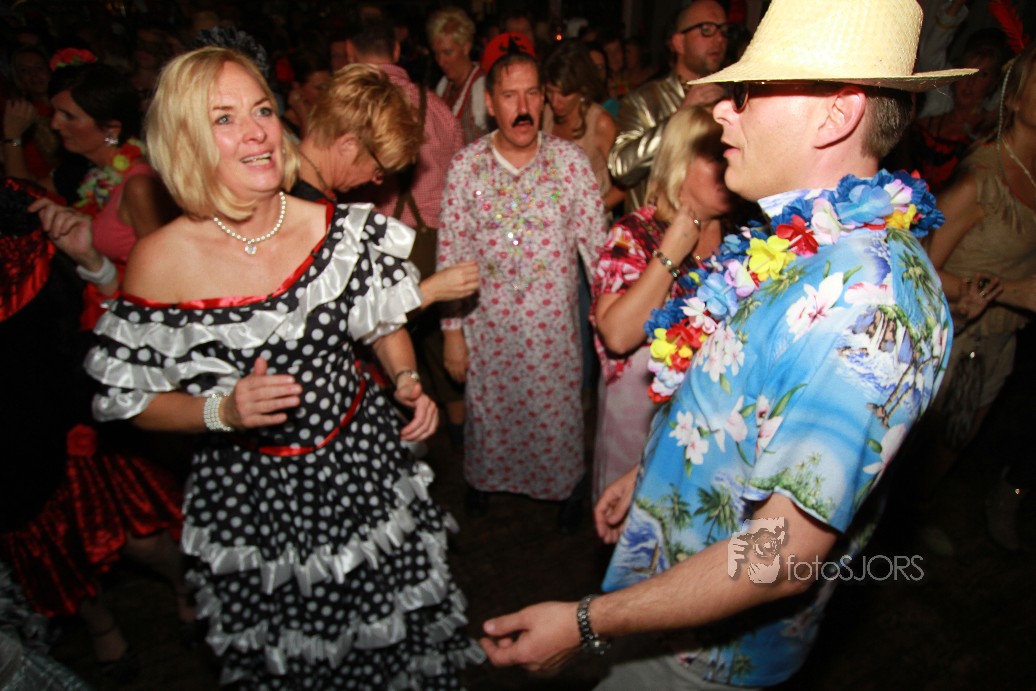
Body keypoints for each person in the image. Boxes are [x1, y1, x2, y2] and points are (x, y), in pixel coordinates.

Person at [478, 0, 971, 687]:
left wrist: (587, 622)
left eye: (748, 94)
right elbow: (746, 409)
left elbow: (782, 555)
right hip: (666, 606)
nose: (720, 112)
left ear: (837, 115)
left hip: (704, 658)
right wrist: (651, 473)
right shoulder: (799, 241)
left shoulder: (866, 303)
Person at [84, 47, 485, 687]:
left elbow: (380, 319)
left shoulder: (338, 228)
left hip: (360, 464)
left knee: (387, 628)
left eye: (263, 110)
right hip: (255, 494)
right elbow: (130, 401)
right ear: (185, 138)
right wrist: (221, 409)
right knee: (301, 654)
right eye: (224, 118)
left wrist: (407, 378)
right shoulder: (162, 261)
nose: (256, 131)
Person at [3, 177, 189, 684]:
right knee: (53, 555)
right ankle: (103, 626)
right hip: (10, 446)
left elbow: (133, 336)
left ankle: (186, 585)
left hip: (71, 413)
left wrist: (90, 263)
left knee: (139, 538)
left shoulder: (21, 217)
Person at [436, 32, 607, 528]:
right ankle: (483, 482)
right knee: (490, 413)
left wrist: (610, 315)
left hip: (552, 333)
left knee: (557, 415)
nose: (524, 107)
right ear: (490, 104)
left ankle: (566, 489)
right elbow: (451, 252)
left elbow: (598, 252)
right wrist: (452, 335)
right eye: (510, 96)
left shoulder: (569, 164)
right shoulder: (467, 168)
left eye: (533, 93)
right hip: (487, 329)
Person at [920, 41, 1036, 552]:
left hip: (1001, 338)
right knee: (917, 447)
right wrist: (1005, 291)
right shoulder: (981, 178)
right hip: (953, 332)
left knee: (953, 445)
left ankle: (914, 520)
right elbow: (921, 263)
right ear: (1015, 98)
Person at [590, 106, 732, 503]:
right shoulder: (634, 233)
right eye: (715, 157)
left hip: (715, 420)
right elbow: (617, 336)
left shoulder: (745, 235)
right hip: (640, 419)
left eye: (730, 152)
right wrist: (671, 253)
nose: (727, 166)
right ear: (680, 162)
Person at [343, 17, 473, 447]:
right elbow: (459, 177)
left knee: (378, 345)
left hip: (375, 246)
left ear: (350, 52)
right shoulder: (434, 105)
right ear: (397, 51)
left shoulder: (350, 105)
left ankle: (399, 439)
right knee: (438, 344)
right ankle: (456, 435)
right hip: (433, 244)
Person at [25, 61, 179, 327]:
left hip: (138, 322)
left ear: (111, 129)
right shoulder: (97, 176)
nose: (55, 124)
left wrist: (101, 272)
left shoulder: (138, 184)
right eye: (55, 113)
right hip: (107, 308)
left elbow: (166, 282)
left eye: (69, 116)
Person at [608, 0, 730, 214]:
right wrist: (679, 117)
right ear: (679, 43)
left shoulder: (729, 99)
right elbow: (621, 168)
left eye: (724, 31)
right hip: (656, 229)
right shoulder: (645, 100)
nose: (719, 39)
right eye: (706, 30)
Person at [542, 39, 624, 213]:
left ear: (581, 88)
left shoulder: (600, 123)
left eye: (563, 94)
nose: (555, 101)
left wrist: (592, 211)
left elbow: (625, 184)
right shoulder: (547, 113)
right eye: (550, 91)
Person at [427, 6, 489, 144]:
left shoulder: (481, 89)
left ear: (466, 47)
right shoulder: (443, 87)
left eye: (447, 52)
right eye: (436, 54)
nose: (441, 61)